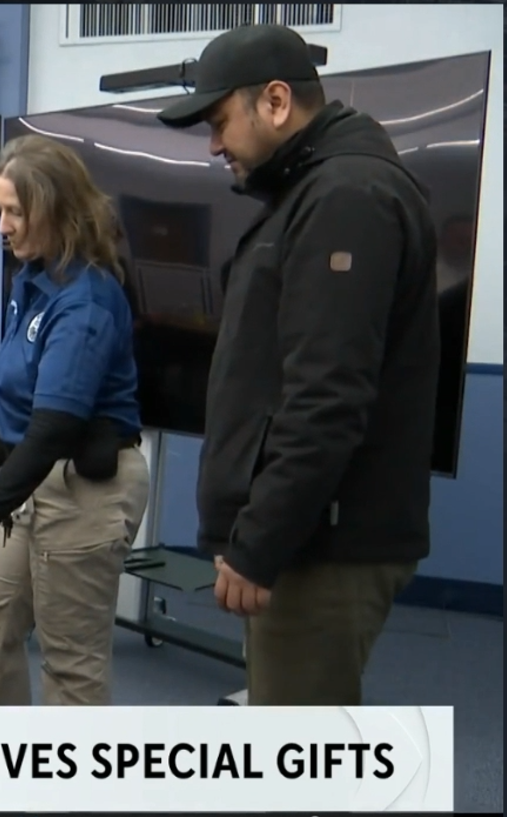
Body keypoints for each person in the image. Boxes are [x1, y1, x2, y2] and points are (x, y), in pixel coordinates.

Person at [157, 24, 439, 706]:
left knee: (299, 752)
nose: (215, 145)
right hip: (307, 534)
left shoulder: (346, 198)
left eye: (219, 122)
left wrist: (258, 543)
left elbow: (326, 396)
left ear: (276, 102)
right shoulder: (314, 193)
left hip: (319, 544)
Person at [0, 134, 149, 707]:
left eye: (15, 212)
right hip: (35, 480)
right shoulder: (30, 279)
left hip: (85, 491)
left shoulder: (85, 302)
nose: (2, 227)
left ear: (56, 210)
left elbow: (53, 429)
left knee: (71, 664)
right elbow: (29, 402)